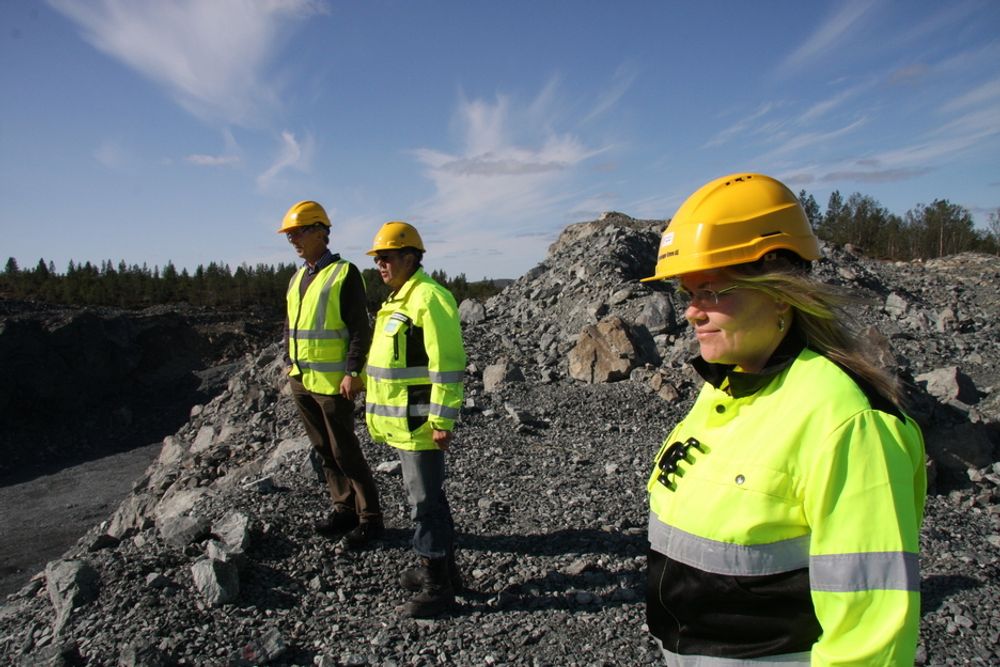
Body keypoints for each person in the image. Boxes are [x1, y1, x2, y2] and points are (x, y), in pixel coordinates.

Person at [641, 173, 926, 666]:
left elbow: (871, 635)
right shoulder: (728, 385)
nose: (691, 313)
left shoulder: (850, 423)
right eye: (687, 292)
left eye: (711, 291)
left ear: (778, 292)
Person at [363, 221, 466, 618]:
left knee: (425, 504)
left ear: (411, 257)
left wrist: (443, 418)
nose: (380, 265)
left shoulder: (429, 298)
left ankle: (437, 586)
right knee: (427, 498)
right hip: (403, 424)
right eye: (377, 259)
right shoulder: (397, 301)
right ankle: (444, 571)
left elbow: (448, 363)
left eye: (386, 257)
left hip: (422, 423)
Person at [278, 200, 383, 548]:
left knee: (345, 451)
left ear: (321, 232)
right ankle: (344, 509)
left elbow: (359, 329)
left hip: (334, 383)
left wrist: (353, 371)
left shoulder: (344, 273)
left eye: (299, 232)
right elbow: (293, 327)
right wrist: (289, 362)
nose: (293, 239)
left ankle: (370, 518)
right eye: (290, 234)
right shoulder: (297, 278)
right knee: (323, 450)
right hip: (302, 380)